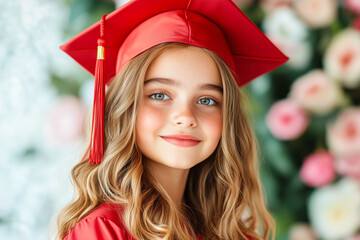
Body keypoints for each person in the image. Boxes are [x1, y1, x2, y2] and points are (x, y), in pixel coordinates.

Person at [55, 0, 288, 239]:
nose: (186, 117)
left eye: (207, 100)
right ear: (123, 108)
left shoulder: (231, 233)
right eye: (159, 95)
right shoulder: (104, 230)